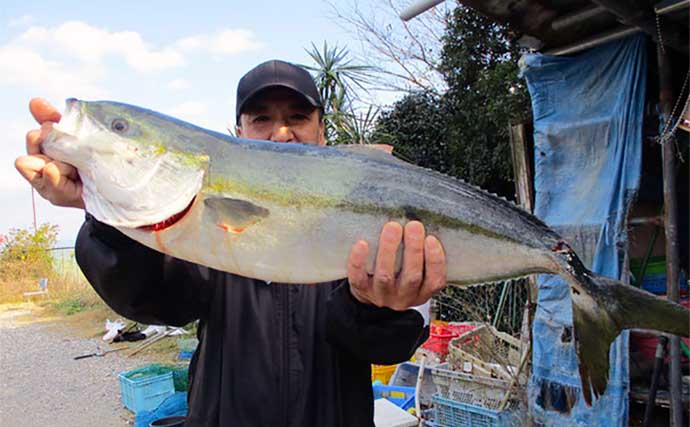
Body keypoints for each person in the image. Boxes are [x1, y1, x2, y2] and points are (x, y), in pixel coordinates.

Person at [15, 59, 448, 426]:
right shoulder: (199, 224)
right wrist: (102, 212)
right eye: (261, 119)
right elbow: (158, 303)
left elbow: (387, 347)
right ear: (238, 132)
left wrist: (375, 305)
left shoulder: (367, 214)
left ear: (321, 132)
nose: (280, 134)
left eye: (297, 118)